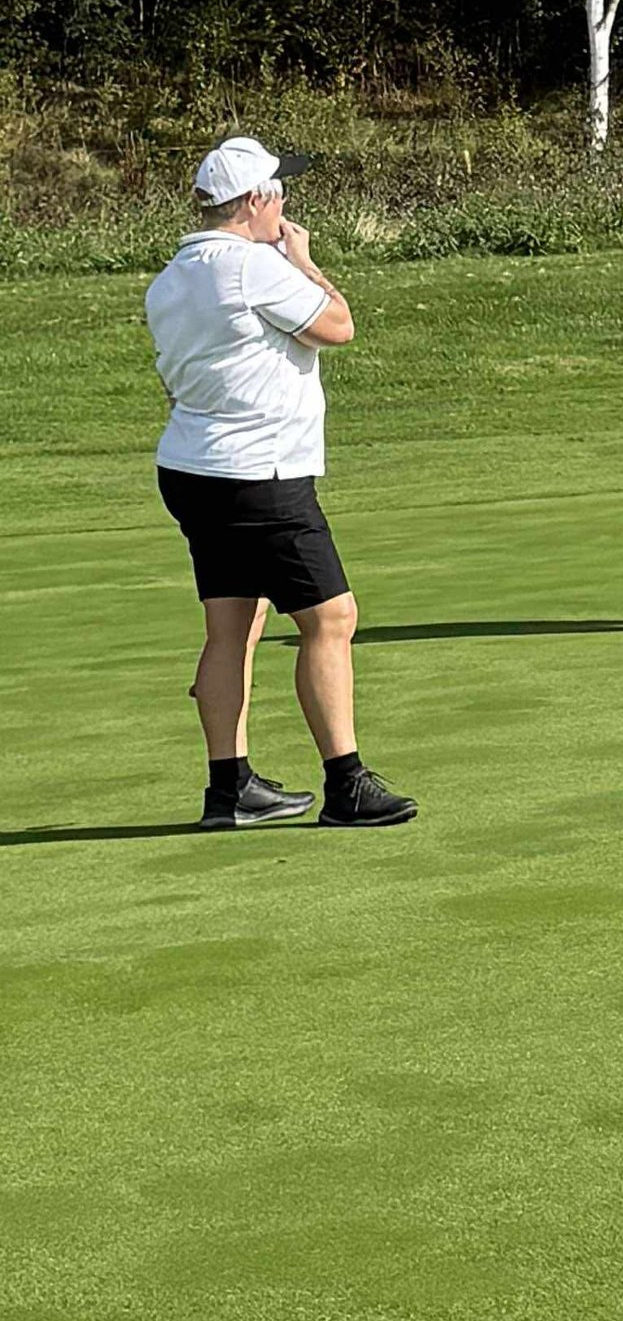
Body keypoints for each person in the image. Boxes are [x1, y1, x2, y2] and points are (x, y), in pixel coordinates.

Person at [146, 136, 415, 830]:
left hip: (193, 470)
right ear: (256, 200)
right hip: (260, 476)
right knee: (332, 618)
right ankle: (347, 784)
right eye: (279, 190)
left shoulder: (170, 277)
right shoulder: (254, 267)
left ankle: (229, 788)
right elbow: (339, 325)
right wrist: (305, 260)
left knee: (233, 621)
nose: (287, 202)